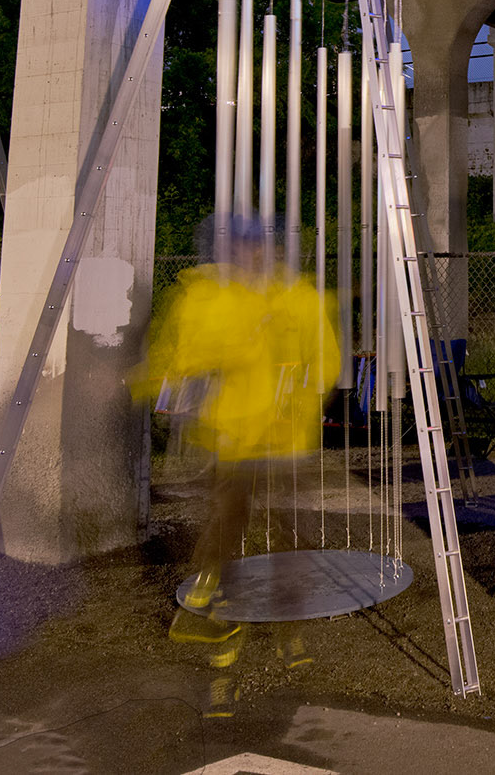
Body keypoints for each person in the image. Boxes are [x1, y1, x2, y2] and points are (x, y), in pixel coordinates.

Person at [138, 218, 340, 714]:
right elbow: (184, 359)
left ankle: (289, 631)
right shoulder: (207, 296)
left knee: (292, 536)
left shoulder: (297, 296)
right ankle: (220, 647)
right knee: (226, 532)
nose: (254, 256)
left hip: (284, 440)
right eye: (243, 248)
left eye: (261, 247)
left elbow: (325, 359)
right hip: (232, 438)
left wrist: (303, 396)